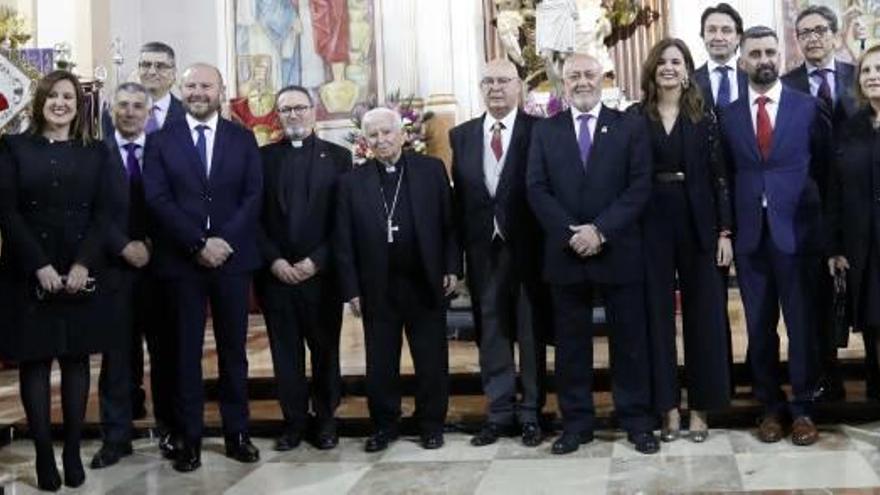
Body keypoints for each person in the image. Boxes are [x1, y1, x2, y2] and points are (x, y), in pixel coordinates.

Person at [527, 53, 658, 455]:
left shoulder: (629, 126)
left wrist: (600, 231)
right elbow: (536, 187)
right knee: (570, 347)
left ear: (602, 78)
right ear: (561, 84)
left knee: (630, 343)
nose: (582, 82)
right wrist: (573, 233)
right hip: (567, 252)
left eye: (588, 74)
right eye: (573, 76)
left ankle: (637, 420)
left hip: (617, 249)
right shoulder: (545, 131)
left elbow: (639, 186)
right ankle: (577, 423)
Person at [143, 63, 263, 472]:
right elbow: (157, 199)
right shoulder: (160, 141)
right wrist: (196, 243)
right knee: (183, 353)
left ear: (221, 90)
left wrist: (223, 242)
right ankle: (189, 438)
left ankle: (237, 434)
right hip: (181, 263)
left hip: (232, 261)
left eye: (205, 86)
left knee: (233, 353)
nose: (197, 92)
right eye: (191, 85)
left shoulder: (243, 139)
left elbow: (253, 195)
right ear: (181, 89)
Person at [0, 70, 113, 491]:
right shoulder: (13, 148)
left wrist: (84, 264)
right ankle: (44, 454)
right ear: (40, 101)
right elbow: (7, 213)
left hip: (79, 270)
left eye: (68, 96)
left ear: (78, 104)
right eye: (53, 96)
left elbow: (106, 212)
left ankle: (70, 450)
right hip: (29, 271)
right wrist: (39, 267)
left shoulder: (96, 151)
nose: (61, 103)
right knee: (35, 362)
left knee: (76, 360)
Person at [719, 26, 831, 446]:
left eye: (769, 52)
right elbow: (725, 177)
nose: (763, 59)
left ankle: (803, 409)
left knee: (801, 325)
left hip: (799, 233)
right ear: (742, 60)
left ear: (779, 57)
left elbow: (823, 168)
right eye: (754, 53)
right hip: (751, 237)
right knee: (759, 325)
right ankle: (769, 406)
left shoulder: (807, 107)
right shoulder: (727, 114)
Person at [335, 107, 461, 452]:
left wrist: (452, 267)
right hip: (378, 285)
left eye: (387, 132)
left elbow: (450, 226)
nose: (381, 140)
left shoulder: (430, 170)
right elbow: (343, 241)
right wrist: (351, 290)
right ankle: (384, 426)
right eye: (373, 135)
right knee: (380, 363)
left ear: (402, 134)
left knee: (431, 359)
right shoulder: (352, 181)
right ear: (365, 141)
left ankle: (431, 424)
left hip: (424, 280)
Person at [629, 39, 733, 443]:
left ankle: (701, 410)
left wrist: (725, 231)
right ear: (652, 69)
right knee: (656, 318)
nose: (669, 67)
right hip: (649, 225)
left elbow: (720, 175)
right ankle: (668, 408)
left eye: (677, 61)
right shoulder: (635, 117)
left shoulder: (705, 116)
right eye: (663, 62)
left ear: (688, 69)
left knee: (704, 317)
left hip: (698, 223)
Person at [449, 58, 551, 448]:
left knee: (529, 333)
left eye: (504, 81)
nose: (496, 88)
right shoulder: (461, 135)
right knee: (491, 333)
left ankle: (531, 413)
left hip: (527, 250)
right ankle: (499, 412)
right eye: (488, 81)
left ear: (519, 86)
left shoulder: (539, 131)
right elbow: (459, 202)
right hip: (482, 252)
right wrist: (455, 258)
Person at [256, 85, 350, 451]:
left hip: (321, 276)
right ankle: (293, 422)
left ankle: (326, 419)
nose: (292, 115)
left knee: (325, 350)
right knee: (285, 353)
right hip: (277, 276)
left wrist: (317, 261)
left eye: (299, 108)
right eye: (285, 110)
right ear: (277, 115)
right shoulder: (262, 159)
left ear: (314, 111)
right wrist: (275, 261)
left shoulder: (339, 157)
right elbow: (255, 218)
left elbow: (342, 221)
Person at [92, 82, 179, 469]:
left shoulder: (166, 151)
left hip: (161, 269)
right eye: (122, 105)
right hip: (113, 268)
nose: (129, 112)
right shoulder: (95, 154)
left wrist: (152, 246)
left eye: (137, 106)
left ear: (149, 113)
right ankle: (115, 436)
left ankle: (171, 430)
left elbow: (180, 202)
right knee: (117, 357)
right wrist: (122, 245)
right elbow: (89, 209)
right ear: (112, 110)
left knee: (167, 355)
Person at [782, 4, 861, 402]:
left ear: (834, 34)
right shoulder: (786, 84)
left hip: (857, 204)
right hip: (806, 207)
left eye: (818, 30)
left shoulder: (858, 76)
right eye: (804, 32)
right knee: (815, 294)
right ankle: (825, 375)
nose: (812, 37)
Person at [828, 43, 880, 405]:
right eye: (867, 71)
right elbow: (835, 191)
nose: (873, 76)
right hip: (864, 241)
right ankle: (876, 386)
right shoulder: (850, 128)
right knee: (873, 319)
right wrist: (835, 246)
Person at [102, 41, 185, 140]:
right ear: (138, 69)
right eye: (146, 65)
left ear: (173, 73)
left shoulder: (188, 114)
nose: (152, 72)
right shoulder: (113, 113)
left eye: (161, 66)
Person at [693, 3, 749, 108]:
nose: (718, 37)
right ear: (703, 36)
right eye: (711, 30)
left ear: (738, 38)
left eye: (726, 31)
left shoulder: (752, 78)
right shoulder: (691, 81)